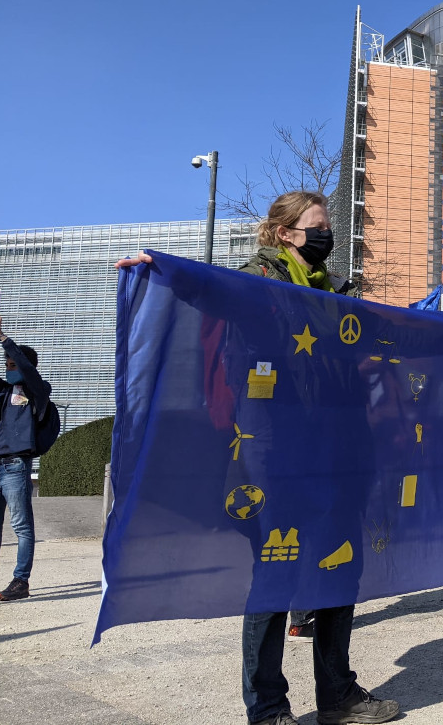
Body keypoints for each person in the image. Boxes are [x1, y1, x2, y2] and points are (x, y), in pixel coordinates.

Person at [116, 191, 398, 725]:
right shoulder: (259, 281)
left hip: (337, 450)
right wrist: (164, 270)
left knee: (339, 569)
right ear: (287, 233)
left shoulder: (334, 292)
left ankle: (337, 696)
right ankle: (267, 709)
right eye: (317, 226)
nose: (327, 235)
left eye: (328, 227)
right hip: (275, 450)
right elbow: (214, 291)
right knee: (278, 572)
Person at [0, 313, 51, 602]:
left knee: (21, 526)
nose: (8, 368)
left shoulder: (38, 391)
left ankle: (20, 581)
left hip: (15, 467)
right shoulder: (3, 392)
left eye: (12, 364)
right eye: (5, 365)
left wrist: (2, 337)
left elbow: (28, 371)